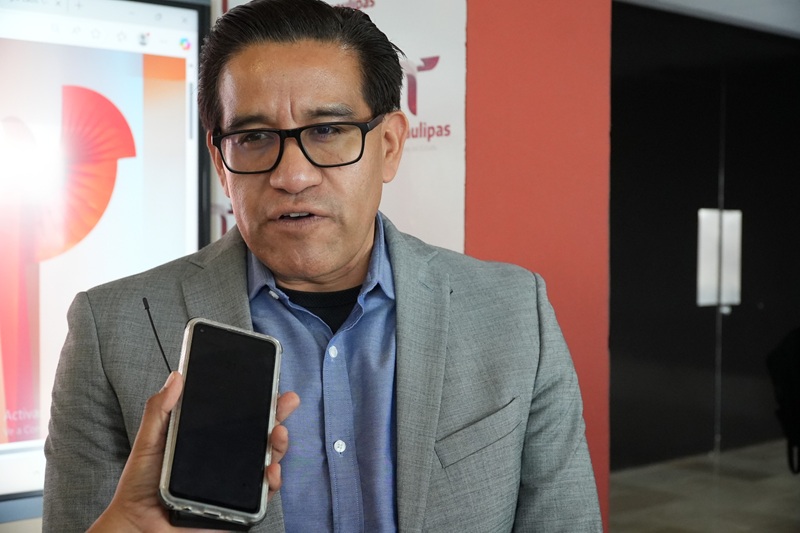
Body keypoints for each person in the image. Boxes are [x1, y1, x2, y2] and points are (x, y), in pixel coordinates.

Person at [43, 0, 603, 531]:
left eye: (328, 131)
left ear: (389, 145)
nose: (292, 175)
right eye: (254, 137)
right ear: (220, 160)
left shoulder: (514, 314)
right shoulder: (110, 329)